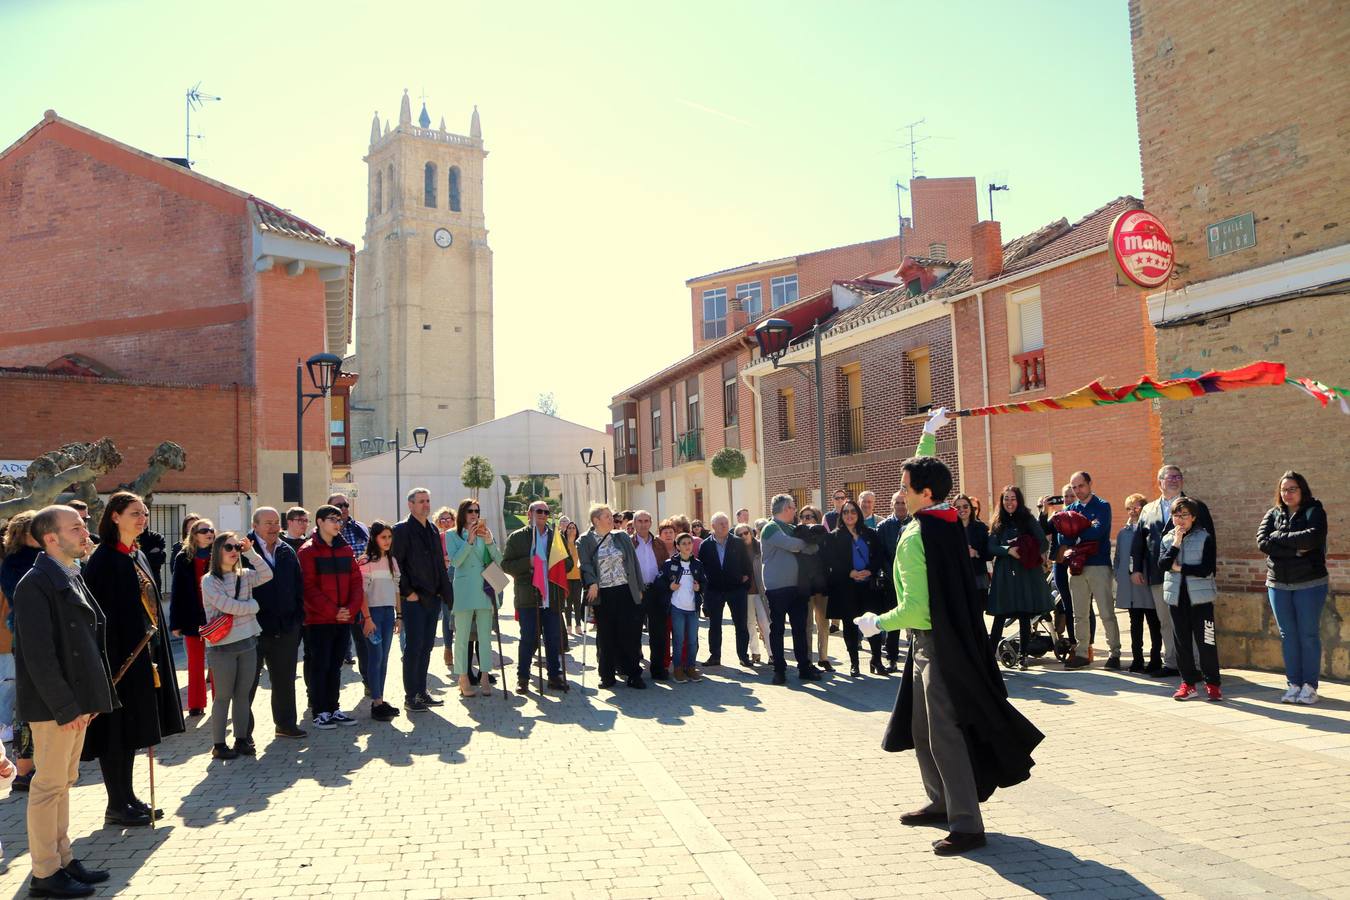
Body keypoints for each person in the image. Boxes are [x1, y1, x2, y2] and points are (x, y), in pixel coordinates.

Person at [856, 408, 1042, 856]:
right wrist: (926, 435)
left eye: (904, 488)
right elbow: (925, 474)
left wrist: (875, 623)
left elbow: (918, 609)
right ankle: (940, 802)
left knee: (944, 732)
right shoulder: (939, 516)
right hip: (933, 642)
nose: (899, 493)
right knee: (921, 728)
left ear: (923, 494)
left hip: (936, 644)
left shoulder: (923, 534)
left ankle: (967, 823)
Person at [13, 505, 116, 898]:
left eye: (84, 524)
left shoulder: (69, 575)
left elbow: (86, 644)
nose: (85, 530)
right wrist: (67, 707)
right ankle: (44, 873)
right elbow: (39, 657)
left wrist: (88, 701)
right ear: (51, 538)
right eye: (76, 527)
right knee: (48, 786)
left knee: (63, 784)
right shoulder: (35, 584)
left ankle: (63, 859)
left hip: (76, 703)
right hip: (57, 707)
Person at [82, 492, 184, 828]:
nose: (143, 519)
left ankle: (127, 797)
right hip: (116, 660)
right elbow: (101, 616)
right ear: (114, 517)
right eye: (134, 513)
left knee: (131, 732)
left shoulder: (134, 555)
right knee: (114, 733)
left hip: (141, 656)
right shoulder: (104, 560)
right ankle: (116, 803)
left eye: (144, 513)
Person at [1130, 465, 1215, 679]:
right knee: (1166, 622)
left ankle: (1195, 666)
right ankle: (1172, 663)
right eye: (1170, 477)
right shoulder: (1148, 510)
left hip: (1191, 576)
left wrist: (1209, 570)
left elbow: (1209, 539)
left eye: (1179, 476)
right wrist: (1136, 568)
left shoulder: (1196, 506)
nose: (1175, 480)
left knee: (1194, 624)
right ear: (1159, 482)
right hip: (1161, 575)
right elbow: (1139, 541)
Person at [199, 532, 273, 759]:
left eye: (236, 548)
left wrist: (250, 552)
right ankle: (219, 745)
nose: (233, 552)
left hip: (248, 641)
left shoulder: (245, 574)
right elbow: (226, 605)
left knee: (242, 695)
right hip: (222, 646)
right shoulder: (210, 580)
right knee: (222, 696)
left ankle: (242, 740)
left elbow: (268, 574)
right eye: (228, 547)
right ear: (218, 551)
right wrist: (254, 606)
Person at [1257, 471, 1328, 705]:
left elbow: (1312, 538)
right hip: (1278, 584)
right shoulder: (1273, 514)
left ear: (1302, 489)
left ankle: (1309, 686)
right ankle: (1293, 684)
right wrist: (1294, 549)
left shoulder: (1314, 511)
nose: (1287, 493)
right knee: (1288, 636)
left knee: (1308, 635)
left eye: (1292, 489)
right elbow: (1263, 542)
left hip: (1310, 583)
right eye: (1284, 489)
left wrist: (1279, 539)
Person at [298, 504, 369, 729]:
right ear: (319, 522)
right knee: (321, 666)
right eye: (332, 519)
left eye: (339, 520)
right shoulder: (307, 551)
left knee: (336, 665)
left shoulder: (345, 549)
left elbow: (357, 582)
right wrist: (333, 611)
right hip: (319, 621)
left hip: (343, 619)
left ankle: (334, 708)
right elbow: (308, 588)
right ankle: (320, 711)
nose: (337, 524)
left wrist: (350, 607)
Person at [245, 507, 307, 739]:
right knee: (247, 685)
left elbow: (298, 586)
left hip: (286, 627)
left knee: (284, 679)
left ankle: (285, 724)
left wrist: (297, 618)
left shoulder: (287, 550)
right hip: (253, 629)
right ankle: (244, 734)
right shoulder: (242, 550)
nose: (273, 527)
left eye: (275, 523)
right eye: (267, 523)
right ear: (255, 526)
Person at [390, 488, 452, 712]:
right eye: (421, 501)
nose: (426, 505)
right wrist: (408, 593)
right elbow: (396, 565)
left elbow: (438, 563)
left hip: (432, 597)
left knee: (426, 647)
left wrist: (444, 592)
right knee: (413, 647)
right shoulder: (401, 530)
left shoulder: (433, 529)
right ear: (410, 505)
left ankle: (422, 692)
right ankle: (410, 696)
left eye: (428, 501)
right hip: (414, 599)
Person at [1159, 498, 1221, 701]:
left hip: (1201, 599)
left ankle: (1212, 684)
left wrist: (1181, 569)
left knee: (1206, 642)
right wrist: (1176, 542)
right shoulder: (1168, 538)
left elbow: (1206, 569)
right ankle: (1188, 684)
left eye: (1185, 515)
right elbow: (1163, 564)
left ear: (1194, 517)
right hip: (1177, 599)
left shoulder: (1205, 537)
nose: (1180, 520)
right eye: (1177, 515)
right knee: (1182, 643)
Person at [578, 505, 645, 689]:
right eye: (607, 516)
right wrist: (592, 582)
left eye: (611, 516)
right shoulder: (584, 540)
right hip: (603, 593)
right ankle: (607, 676)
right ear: (596, 520)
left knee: (629, 634)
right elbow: (584, 564)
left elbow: (633, 563)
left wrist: (638, 587)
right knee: (606, 636)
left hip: (625, 590)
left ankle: (633, 674)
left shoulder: (621, 536)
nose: (611, 519)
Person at [760, 494, 823, 686]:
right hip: (777, 587)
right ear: (786, 509)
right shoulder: (771, 527)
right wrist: (810, 542)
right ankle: (779, 669)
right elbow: (793, 545)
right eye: (793, 507)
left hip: (798, 586)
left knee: (800, 629)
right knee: (778, 629)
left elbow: (813, 550)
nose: (796, 511)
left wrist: (810, 543)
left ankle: (804, 667)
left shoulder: (792, 528)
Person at [986, 486, 1053, 669]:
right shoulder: (997, 521)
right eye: (1006, 499)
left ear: (1019, 500)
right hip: (1004, 573)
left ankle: (1024, 655)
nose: (1009, 502)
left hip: (1025, 571)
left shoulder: (1028, 519)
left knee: (1024, 614)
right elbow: (990, 547)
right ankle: (990, 656)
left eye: (1013, 499)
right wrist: (1007, 550)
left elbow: (1042, 542)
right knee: (1000, 614)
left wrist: (1026, 551)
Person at [1, 511, 41, 791]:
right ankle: (24, 767)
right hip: (26, 639)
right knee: (24, 705)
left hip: (31, 637)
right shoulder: (16, 563)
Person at [1065, 471, 1121, 668]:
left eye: (1081, 486)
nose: (1077, 490)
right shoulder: (1071, 508)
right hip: (1076, 567)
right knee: (1079, 613)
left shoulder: (1103, 506)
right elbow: (1062, 537)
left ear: (1089, 484)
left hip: (1098, 565)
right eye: (1074, 487)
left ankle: (1114, 653)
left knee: (1106, 611)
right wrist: (1080, 532)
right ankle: (1081, 653)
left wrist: (1076, 534)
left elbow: (1098, 531)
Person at [824, 500, 885, 677]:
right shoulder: (834, 536)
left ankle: (877, 660)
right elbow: (831, 561)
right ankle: (854, 663)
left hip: (869, 587)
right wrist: (850, 573)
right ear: (841, 516)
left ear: (858, 514)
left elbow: (879, 556)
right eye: (846, 512)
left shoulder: (870, 534)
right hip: (847, 588)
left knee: (872, 624)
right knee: (850, 627)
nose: (849, 515)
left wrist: (870, 570)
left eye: (853, 512)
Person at [451, 500, 506, 696]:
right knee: (462, 637)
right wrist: (469, 541)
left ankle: (484, 675)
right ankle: (463, 677)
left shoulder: (486, 534)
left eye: (477, 511)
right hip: (464, 591)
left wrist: (490, 541)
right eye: (470, 511)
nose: (474, 514)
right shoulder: (452, 535)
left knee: (485, 637)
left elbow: (500, 561)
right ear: (462, 514)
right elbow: (456, 561)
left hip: (485, 589)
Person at [170, 517, 216, 717]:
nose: (209, 533)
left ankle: (220, 701)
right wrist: (175, 622)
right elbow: (177, 591)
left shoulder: (221, 554)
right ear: (194, 536)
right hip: (191, 616)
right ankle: (196, 704)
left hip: (215, 616)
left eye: (211, 530)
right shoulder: (183, 557)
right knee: (195, 663)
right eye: (204, 531)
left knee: (217, 663)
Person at [359, 521, 402, 719]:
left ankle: (380, 699)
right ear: (374, 538)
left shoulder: (392, 560)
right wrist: (367, 618)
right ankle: (376, 702)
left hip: (388, 613)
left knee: (384, 659)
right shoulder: (366, 561)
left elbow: (396, 589)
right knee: (375, 658)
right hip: (373, 614)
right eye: (383, 537)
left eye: (390, 537)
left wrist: (399, 616)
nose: (387, 541)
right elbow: (362, 593)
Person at [699, 512, 753, 668]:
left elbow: (747, 564)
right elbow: (702, 567)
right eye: (720, 523)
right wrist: (705, 588)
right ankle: (715, 656)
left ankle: (743, 656)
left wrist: (745, 579)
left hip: (736, 590)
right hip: (715, 590)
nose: (724, 525)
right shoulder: (706, 545)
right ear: (713, 526)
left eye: (726, 523)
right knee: (714, 625)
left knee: (741, 624)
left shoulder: (738, 542)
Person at [1115, 494, 1160, 673]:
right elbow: (1118, 557)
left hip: (1146, 583)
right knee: (1135, 623)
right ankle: (1137, 660)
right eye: (1129, 508)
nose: (1132, 511)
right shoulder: (1122, 532)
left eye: (1136, 507)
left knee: (1154, 623)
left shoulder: (1149, 529)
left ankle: (1156, 659)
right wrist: (1118, 574)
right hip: (1129, 585)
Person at [629, 510, 671, 681]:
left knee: (659, 632)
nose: (643, 524)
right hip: (636, 591)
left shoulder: (659, 544)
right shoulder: (628, 543)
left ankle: (658, 668)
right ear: (634, 523)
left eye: (647, 521)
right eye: (640, 521)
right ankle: (633, 669)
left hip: (656, 591)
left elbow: (666, 566)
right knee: (633, 632)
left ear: (651, 523)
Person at [330, 494, 368, 670]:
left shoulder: (360, 528)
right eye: (339, 505)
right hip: (337, 593)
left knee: (362, 639)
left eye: (345, 505)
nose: (344, 508)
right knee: (338, 639)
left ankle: (369, 684)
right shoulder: (325, 532)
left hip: (361, 589)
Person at [662, 533, 706, 683]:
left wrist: (699, 587)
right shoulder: (669, 563)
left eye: (689, 543)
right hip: (677, 608)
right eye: (684, 544)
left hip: (693, 608)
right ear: (678, 546)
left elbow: (704, 583)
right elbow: (660, 582)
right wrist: (670, 586)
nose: (688, 546)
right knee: (679, 640)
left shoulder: (698, 564)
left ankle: (691, 668)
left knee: (693, 640)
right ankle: (678, 669)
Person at [874, 493, 910, 674]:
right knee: (895, 622)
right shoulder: (884, 527)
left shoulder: (916, 524)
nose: (901, 506)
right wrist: (893, 573)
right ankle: (892, 658)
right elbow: (880, 556)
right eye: (897, 503)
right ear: (891, 505)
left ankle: (914, 660)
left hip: (912, 579)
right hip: (890, 581)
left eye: (904, 502)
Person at [794, 506, 832, 670]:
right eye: (803, 516)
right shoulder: (796, 535)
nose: (806, 519)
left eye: (810, 516)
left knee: (823, 622)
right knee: (807, 623)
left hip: (821, 584)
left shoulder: (824, 536)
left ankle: (823, 658)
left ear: (817, 518)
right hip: (804, 585)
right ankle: (807, 659)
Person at [736, 523, 771, 665]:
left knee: (766, 623)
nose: (744, 536)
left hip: (761, 591)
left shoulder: (760, 547)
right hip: (746, 593)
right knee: (749, 623)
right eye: (740, 534)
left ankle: (772, 653)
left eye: (746, 532)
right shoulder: (737, 551)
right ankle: (755, 652)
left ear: (751, 532)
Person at [955, 494, 991, 612]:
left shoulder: (981, 528)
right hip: (958, 577)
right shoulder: (949, 529)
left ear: (971, 508)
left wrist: (976, 553)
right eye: (958, 507)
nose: (962, 510)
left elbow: (989, 553)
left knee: (978, 615)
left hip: (978, 577)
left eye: (965, 506)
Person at [434, 506, 458, 673]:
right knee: (447, 615)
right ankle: (448, 648)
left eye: (448, 518)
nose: (445, 521)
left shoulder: (458, 536)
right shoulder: (437, 538)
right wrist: (445, 559)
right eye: (442, 519)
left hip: (459, 578)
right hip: (444, 580)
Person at [561, 518, 585, 635]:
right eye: (569, 528)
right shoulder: (563, 544)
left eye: (573, 528)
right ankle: (569, 625)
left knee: (577, 602)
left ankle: (578, 625)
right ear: (566, 530)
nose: (571, 530)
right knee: (568, 603)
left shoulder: (579, 543)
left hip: (578, 577)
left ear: (576, 530)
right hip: (566, 577)